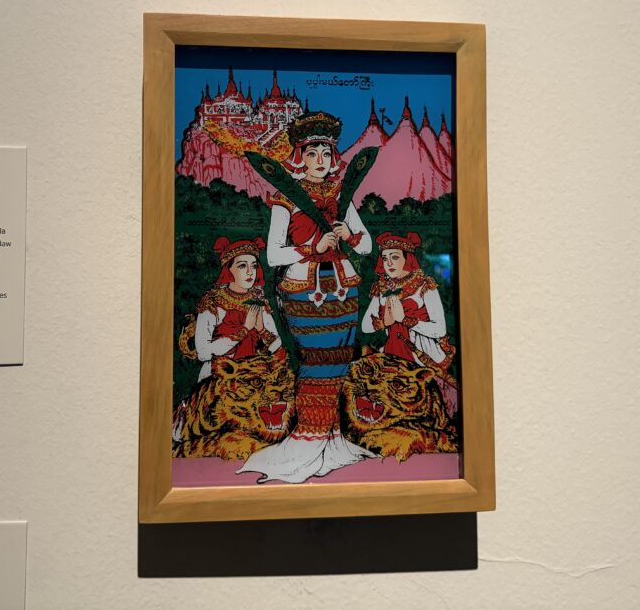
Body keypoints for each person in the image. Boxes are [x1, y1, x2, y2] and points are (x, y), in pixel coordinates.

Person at [238, 111, 375, 483]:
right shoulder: (287, 197)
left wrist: (349, 235)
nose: (320, 160)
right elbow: (273, 255)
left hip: (344, 292)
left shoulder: (342, 196)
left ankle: (332, 443)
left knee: (340, 362)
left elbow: (366, 246)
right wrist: (313, 247)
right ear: (299, 156)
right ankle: (306, 443)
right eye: (313, 153)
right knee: (314, 363)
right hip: (303, 293)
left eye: (326, 153)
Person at [361, 231, 458, 415]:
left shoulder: (424, 286)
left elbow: (439, 329)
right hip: (391, 353)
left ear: (408, 259)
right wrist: (384, 322)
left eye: (395, 257)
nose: (389, 263)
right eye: (385, 258)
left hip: (421, 356)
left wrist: (405, 320)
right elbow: (365, 326)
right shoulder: (381, 287)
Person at [190, 236, 283, 382]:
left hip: (253, 376)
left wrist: (261, 330)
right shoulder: (212, 302)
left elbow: (277, 344)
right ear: (228, 270)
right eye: (242, 266)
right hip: (219, 378)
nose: (250, 272)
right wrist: (244, 330)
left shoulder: (258, 302)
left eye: (254, 266)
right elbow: (203, 353)